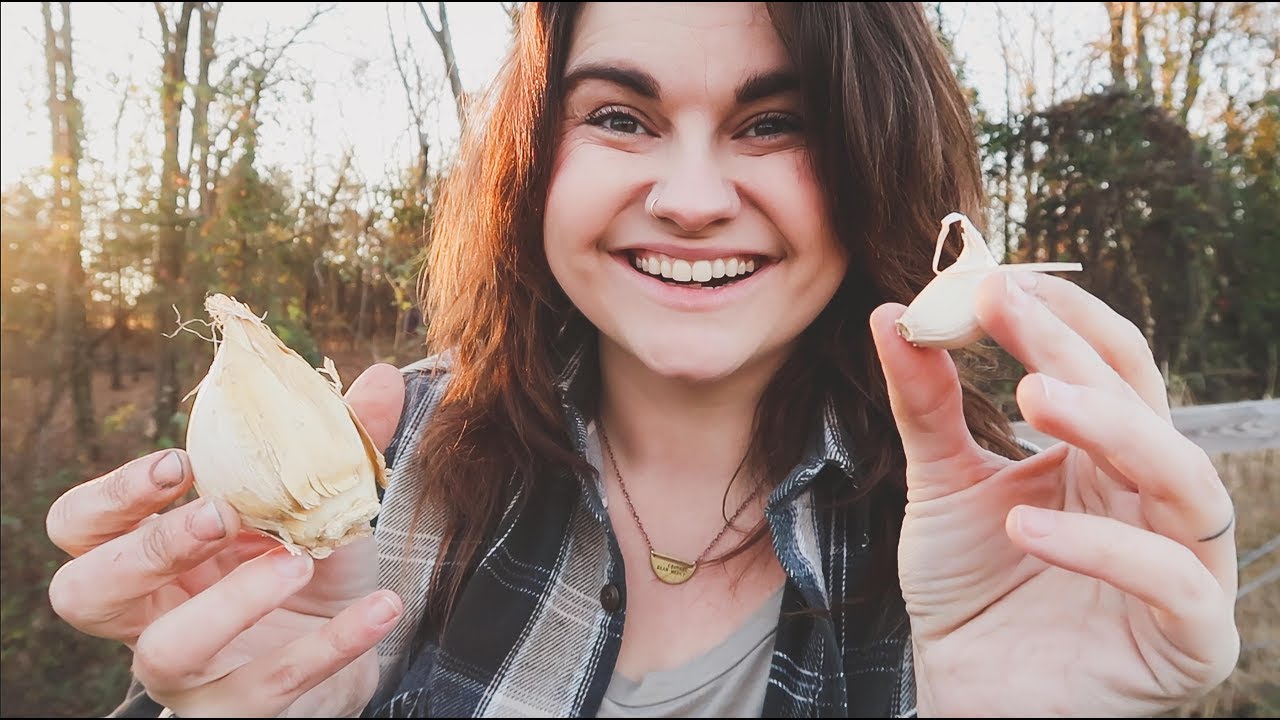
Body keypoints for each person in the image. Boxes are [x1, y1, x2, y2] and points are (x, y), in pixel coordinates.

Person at [46, 3, 1240, 717]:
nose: (687, 198)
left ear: (875, 159)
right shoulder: (361, 485)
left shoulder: (1020, 541)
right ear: (534, 165)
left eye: (774, 122)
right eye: (617, 117)